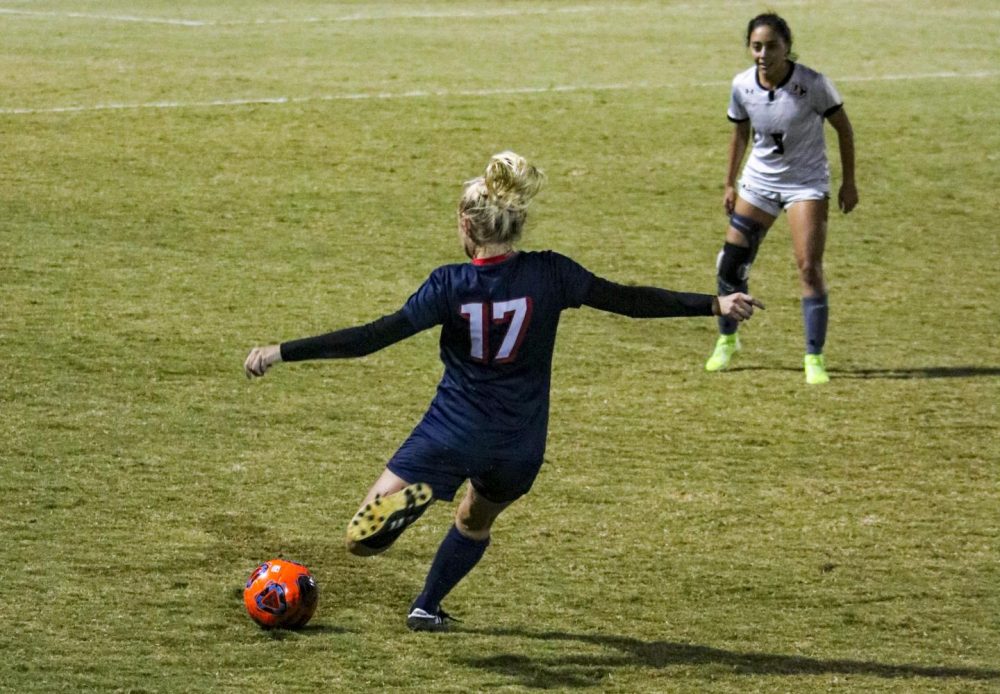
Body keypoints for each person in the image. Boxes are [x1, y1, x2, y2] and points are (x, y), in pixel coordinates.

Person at [244, 152, 763, 631]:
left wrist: (282, 350)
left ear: (468, 226)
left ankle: (421, 492)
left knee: (360, 541)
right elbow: (628, 300)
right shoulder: (552, 273)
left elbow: (372, 338)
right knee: (473, 520)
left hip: (451, 432)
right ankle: (427, 605)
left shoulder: (449, 284)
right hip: (519, 443)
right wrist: (713, 305)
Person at [704, 12, 857, 384]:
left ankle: (813, 357)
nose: (763, 53)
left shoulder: (813, 84)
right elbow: (740, 134)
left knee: (808, 267)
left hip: (805, 185)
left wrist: (849, 182)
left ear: (787, 46)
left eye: (772, 46)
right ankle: (727, 339)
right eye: (757, 46)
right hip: (758, 183)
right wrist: (729, 183)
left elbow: (844, 129)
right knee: (730, 265)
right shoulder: (742, 86)